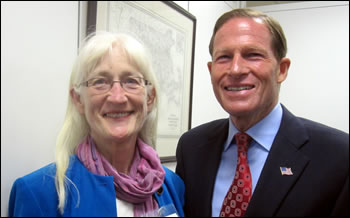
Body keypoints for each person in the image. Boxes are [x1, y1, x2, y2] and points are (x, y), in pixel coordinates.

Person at [176, 8, 348, 217]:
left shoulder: (338, 156)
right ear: (211, 71)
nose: (236, 69)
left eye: (253, 55)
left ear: (281, 69)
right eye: (224, 57)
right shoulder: (192, 147)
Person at [8, 31, 185, 217]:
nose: (117, 97)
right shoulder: (38, 193)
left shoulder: (172, 185)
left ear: (149, 98)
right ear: (78, 100)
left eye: (131, 81)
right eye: (100, 82)